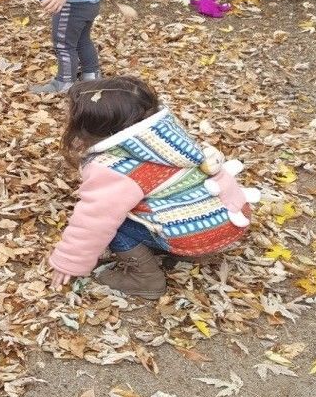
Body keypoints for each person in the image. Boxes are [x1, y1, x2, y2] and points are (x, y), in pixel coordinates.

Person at [49, 77, 260, 298]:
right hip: (226, 217)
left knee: (112, 221)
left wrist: (68, 262)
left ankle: (145, 279)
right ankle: (179, 249)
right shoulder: (163, 138)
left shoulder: (116, 167)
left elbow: (94, 221)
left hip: (195, 231)